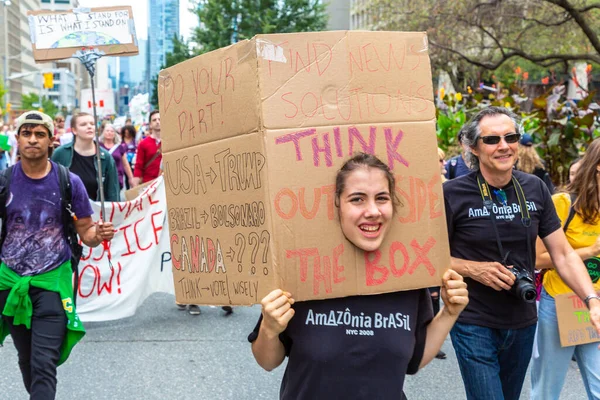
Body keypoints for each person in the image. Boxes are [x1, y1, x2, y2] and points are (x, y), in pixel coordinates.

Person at [249, 152, 469, 399]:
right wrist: (269, 329)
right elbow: (268, 362)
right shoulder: (301, 273)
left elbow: (412, 361)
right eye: (357, 199)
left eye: (382, 198)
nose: (373, 210)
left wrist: (450, 312)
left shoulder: (409, 277)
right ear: (337, 205)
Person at [444, 106, 600, 400]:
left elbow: (563, 255)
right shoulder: (452, 193)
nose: (504, 146)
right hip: (473, 319)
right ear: (474, 148)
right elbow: (427, 257)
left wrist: (591, 299)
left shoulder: (535, 188)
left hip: (522, 318)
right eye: (492, 140)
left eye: (511, 137)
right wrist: (472, 268)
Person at [0, 110, 115, 399]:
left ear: (52, 141)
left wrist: (97, 236)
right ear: (18, 139)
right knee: (27, 360)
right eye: (27, 133)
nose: (33, 139)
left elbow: (86, 232)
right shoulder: (4, 180)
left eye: (40, 134)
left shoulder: (68, 181)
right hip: (11, 284)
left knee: (43, 363)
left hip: (53, 284)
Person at [530, 138, 600, 400]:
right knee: (548, 388)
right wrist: (590, 251)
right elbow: (537, 258)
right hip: (561, 303)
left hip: (597, 307)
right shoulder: (562, 203)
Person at [52, 112, 120, 202]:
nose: (89, 127)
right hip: (67, 213)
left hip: (96, 214)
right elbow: (51, 187)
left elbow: (113, 193)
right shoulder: (60, 154)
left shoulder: (105, 158)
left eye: (92, 124)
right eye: (83, 124)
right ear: (74, 130)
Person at [99, 124, 134, 192]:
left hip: (117, 178)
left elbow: (125, 164)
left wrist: (130, 178)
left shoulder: (119, 147)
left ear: (115, 134)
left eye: (112, 131)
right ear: (103, 133)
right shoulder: (98, 146)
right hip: (101, 178)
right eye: (107, 131)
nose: (109, 132)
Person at [133, 110, 161, 186]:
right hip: (149, 184)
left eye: (159, 119)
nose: (157, 122)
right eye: (154, 120)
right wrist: (135, 188)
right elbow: (138, 165)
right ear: (150, 125)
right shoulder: (143, 144)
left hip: (166, 183)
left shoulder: (169, 141)